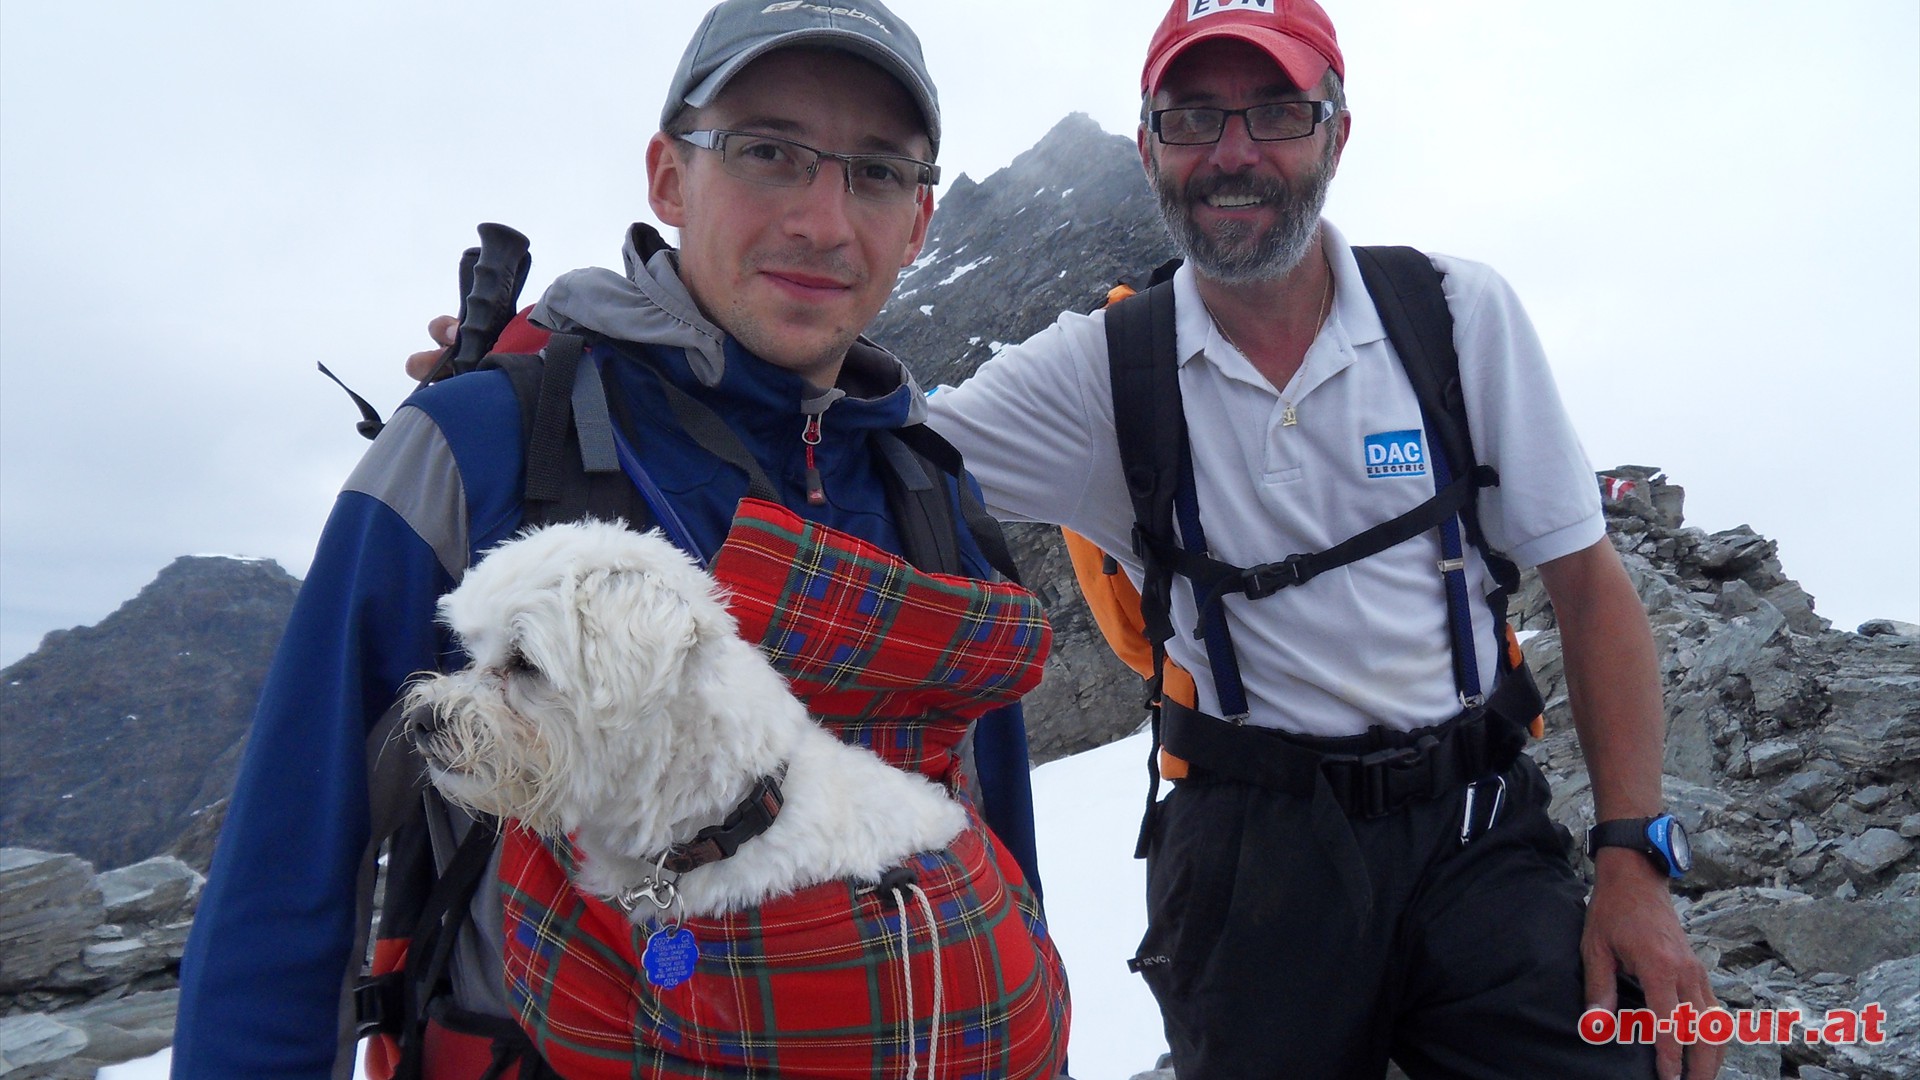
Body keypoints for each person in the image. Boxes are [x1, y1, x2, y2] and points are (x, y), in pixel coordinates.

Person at [172, 2, 1056, 1076]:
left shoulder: (933, 494)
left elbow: (994, 860)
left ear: (918, 222)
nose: (825, 222)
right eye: (767, 151)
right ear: (669, 177)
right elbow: (288, 869)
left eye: (876, 172)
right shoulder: (479, 448)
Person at [917, 2, 1722, 1079]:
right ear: (1149, 142)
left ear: (1337, 133)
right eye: (1195, 116)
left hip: (1474, 827)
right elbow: (876, 434)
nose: (1234, 153)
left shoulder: (1452, 314)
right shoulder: (1104, 369)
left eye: (1277, 112)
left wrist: (1633, 862)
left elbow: (1587, 583)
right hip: (1248, 860)